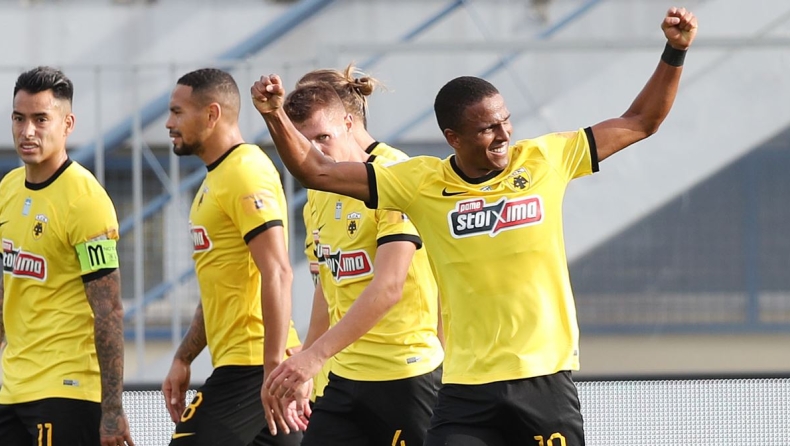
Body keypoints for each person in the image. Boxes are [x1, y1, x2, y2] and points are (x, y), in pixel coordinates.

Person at [252, 7, 697, 445]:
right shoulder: (420, 183)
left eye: (505, 121)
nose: (504, 135)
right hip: (466, 388)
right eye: (487, 128)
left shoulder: (546, 159)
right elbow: (316, 171)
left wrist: (674, 52)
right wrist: (274, 115)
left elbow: (641, 121)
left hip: (542, 379)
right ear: (454, 138)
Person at [267, 82, 444, 445]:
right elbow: (327, 285)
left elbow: (389, 287)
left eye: (323, 137)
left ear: (348, 123)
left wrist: (315, 356)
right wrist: (307, 366)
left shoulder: (394, 176)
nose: (316, 151)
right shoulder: (317, 194)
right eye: (305, 143)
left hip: (405, 375)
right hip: (346, 377)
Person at [161, 68, 304, 446]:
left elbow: (278, 271)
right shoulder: (215, 179)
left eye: (177, 112)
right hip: (246, 363)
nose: (168, 123)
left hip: (253, 365)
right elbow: (219, 288)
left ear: (211, 114)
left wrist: (273, 367)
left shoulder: (245, 172)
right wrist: (184, 357)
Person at [0, 66, 133, 446]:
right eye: (19, 118)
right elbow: (7, 286)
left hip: (68, 390)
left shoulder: (85, 200)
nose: (27, 131)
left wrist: (112, 408)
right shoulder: (8, 189)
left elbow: (109, 310)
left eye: (41, 119)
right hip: (12, 389)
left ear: (67, 124)